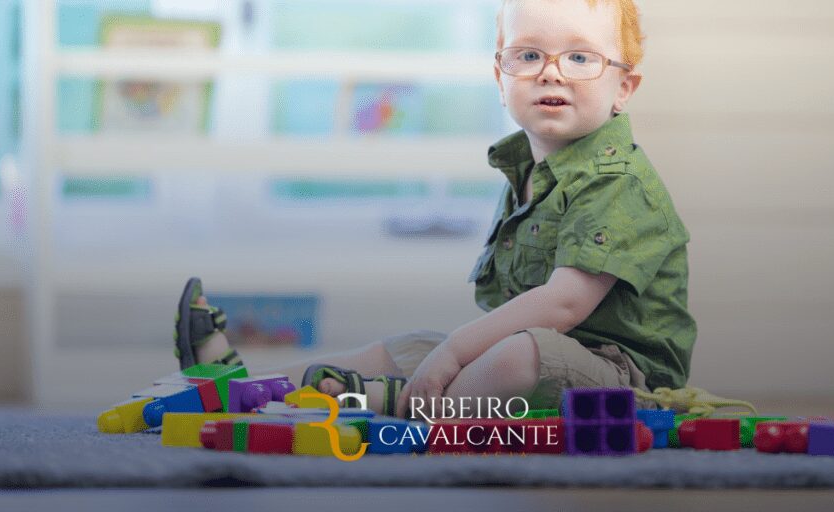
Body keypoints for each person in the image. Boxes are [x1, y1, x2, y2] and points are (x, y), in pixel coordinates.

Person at [175, 0, 695, 419]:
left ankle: (388, 405)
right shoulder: (527, 170)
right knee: (408, 348)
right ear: (499, 78)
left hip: (621, 379)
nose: (550, 74)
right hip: (537, 352)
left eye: (581, 58)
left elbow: (563, 305)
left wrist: (456, 352)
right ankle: (256, 389)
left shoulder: (615, 181)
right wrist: (447, 351)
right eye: (528, 55)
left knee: (514, 355)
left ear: (623, 88)